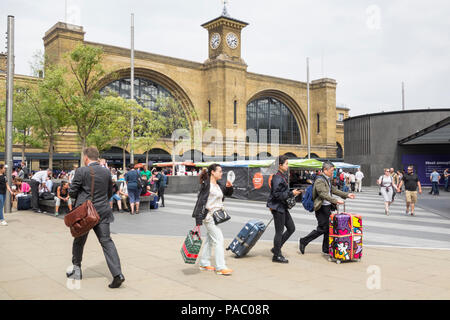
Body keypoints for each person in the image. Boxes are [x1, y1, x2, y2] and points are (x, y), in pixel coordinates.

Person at [67, 147, 125, 288]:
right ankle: (118, 274)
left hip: (85, 213)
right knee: (107, 242)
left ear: (86, 157)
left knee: (79, 241)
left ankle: (76, 271)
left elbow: (73, 192)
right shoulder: (106, 171)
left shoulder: (81, 171)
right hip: (103, 212)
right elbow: (109, 192)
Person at [299, 161, 355, 255]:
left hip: (327, 207)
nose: (333, 172)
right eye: (332, 170)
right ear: (325, 170)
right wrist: (336, 201)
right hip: (321, 208)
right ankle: (304, 241)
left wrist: (347, 195)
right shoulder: (320, 180)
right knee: (322, 228)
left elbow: (334, 190)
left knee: (328, 228)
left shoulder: (327, 179)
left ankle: (326, 249)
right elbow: (323, 194)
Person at [192, 164, 234, 276]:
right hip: (208, 216)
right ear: (212, 172)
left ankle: (204, 263)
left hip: (216, 216)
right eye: (219, 171)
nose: (221, 173)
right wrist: (198, 220)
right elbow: (200, 202)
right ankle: (220, 267)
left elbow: (228, 194)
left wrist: (229, 187)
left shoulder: (218, 184)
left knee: (210, 240)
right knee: (219, 239)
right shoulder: (206, 185)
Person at [266, 155, 303, 264]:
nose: (288, 165)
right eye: (286, 163)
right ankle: (276, 255)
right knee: (279, 232)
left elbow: (280, 192)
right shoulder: (277, 177)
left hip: (282, 207)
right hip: (278, 208)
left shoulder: (281, 176)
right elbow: (276, 194)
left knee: (291, 228)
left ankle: (276, 248)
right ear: (280, 165)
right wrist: (292, 193)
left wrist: (292, 192)